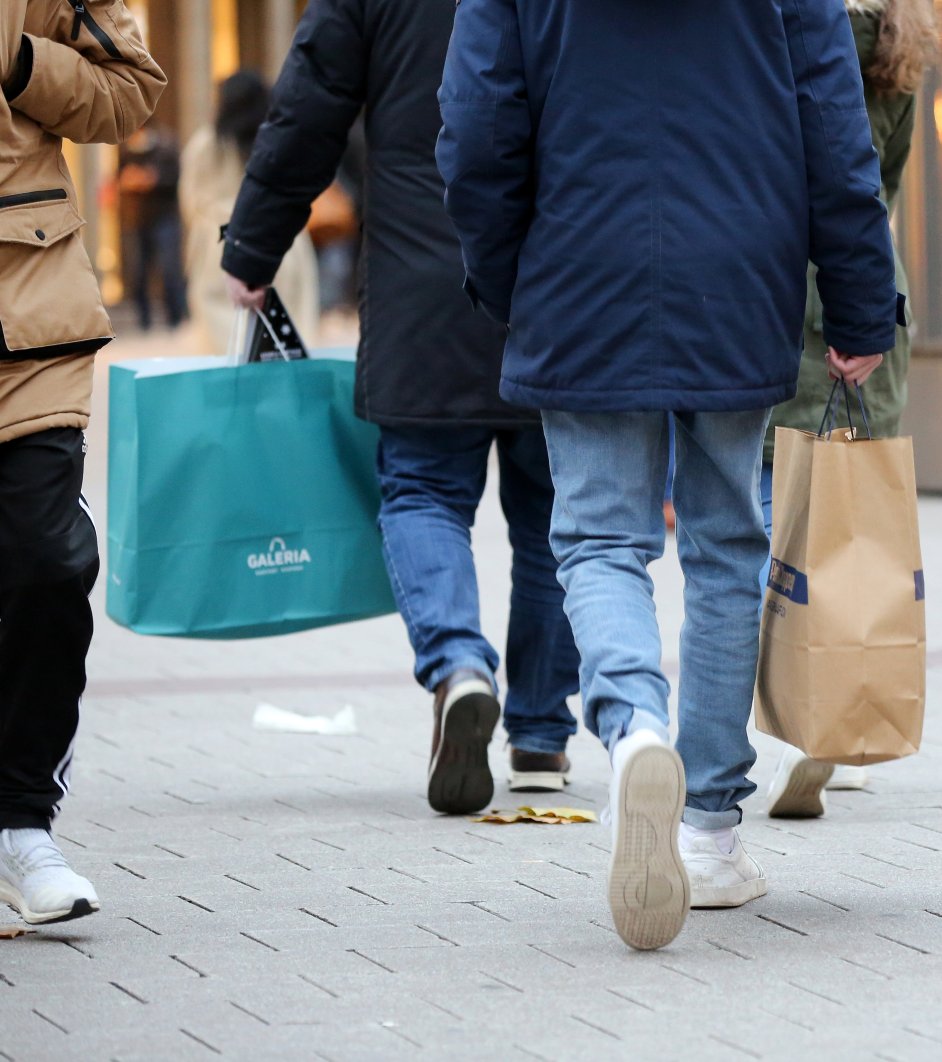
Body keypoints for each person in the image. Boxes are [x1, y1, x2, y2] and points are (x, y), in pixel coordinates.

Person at [439, 0, 901, 951]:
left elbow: (475, 126)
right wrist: (859, 303)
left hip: (576, 266)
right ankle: (709, 830)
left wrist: (505, 276)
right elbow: (835, 130)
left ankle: (634, 730)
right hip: (740, 270)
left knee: (602, 539)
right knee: (729, 543)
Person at [219, 0, 581, 815]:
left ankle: (458, 667)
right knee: (556, 516)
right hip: (552, 281)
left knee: (421, 492)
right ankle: (540, 737)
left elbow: (309, 107)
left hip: (426, 284)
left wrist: (253, 243)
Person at [0, 0, 165, 925]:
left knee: (46, 558)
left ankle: (22, 825)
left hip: (30, 314)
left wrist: (22, 59)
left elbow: (130, 90)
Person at [763, 0, 940, 820]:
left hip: (775, 286)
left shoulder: (779, 25)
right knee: (849, 527)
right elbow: (886, 185)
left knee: (764, 528)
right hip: (870, 302)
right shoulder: (899, 43)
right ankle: (843, 723)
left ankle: (776, 724)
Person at [182, 71, 319, 355]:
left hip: (219, 241)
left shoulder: (206, 145)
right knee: (289, 329)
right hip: (282, 239)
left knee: (224, 336)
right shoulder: (277, 140)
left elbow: (191, 203)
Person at [117, 126, 186, 332]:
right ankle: (143, 320)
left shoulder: (166, 148)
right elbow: (119, 178)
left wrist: (153, 179)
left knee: (169, 269)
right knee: (138, 270)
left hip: (164, 218)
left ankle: (175, 317)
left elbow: (175, 179)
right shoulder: (126, 152)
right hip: (136, 219)